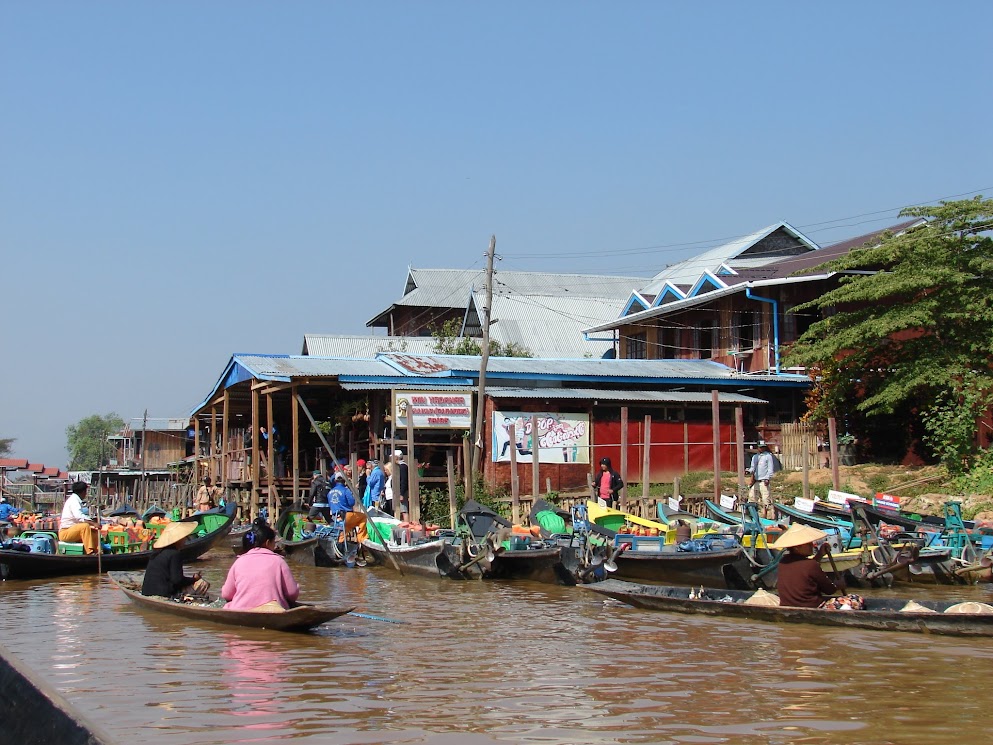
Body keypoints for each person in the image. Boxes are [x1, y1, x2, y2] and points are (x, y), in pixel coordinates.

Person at [770, 523, 864, 609]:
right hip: (813, 606)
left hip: (789, 605)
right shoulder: (810, 565)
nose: (812, 545)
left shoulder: (783, 562)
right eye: (808, 544)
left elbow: (805, 569)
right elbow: (829, 590)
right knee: (856, 599)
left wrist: (820, 554)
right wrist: (838, 585)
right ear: (797, 547)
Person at [221, 522, 300, 611]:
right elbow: (292, 593)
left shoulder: (239, 562)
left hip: (241, 610)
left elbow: (226, 594)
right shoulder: (279, 561)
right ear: (267, 542)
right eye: (274, 542)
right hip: (273, 611)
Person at [141, 521, 210, 598]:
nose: (185, 540)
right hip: (163, 595)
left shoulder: (156, 552)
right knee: (202, 583)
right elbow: (177, 580)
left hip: (146, 592)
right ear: (178, 540)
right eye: (184, 538)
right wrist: (194, 579)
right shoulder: (174, 554)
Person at [58, 481, 100, 554]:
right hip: (65, 532)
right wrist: (93, 523)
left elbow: (80, 517)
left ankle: (98, 551)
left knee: (93, 531)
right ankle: (89, 552)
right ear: (83, 492)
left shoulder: (76, 500)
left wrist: (92, 522)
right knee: (85, 527)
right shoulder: (74, 501)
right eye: (86, 492)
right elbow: (79, 517)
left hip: (73, 530)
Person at [328, 472, 369, 542]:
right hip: (346, 516)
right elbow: (352, 503)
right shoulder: (346, 490)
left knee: (345, 526)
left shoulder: (330, 492)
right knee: (363, 516)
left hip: (335, 517)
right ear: (344, 480)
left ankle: (341, 541)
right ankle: (361, 539)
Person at [748, 442, 777, 519]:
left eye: (763, 447)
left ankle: (766, 516)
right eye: (760, 447)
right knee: (752, 497)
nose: (762, 448)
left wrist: (767, 478)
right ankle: (753, 515)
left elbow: (770, 469)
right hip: (756, 481)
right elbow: (752, 467)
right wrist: (749, 471)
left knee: (765, 499)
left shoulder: (768, 456)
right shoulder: (755, 457)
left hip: (764, 481)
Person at [393, 450, 409, 520]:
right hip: (398, 490)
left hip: (402, 491)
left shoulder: (403, 466)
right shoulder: (399, 466)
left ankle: (406, 526)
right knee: (399, 509)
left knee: (403, 510)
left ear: (396, 457)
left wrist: (402, 493)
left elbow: (404, 480)